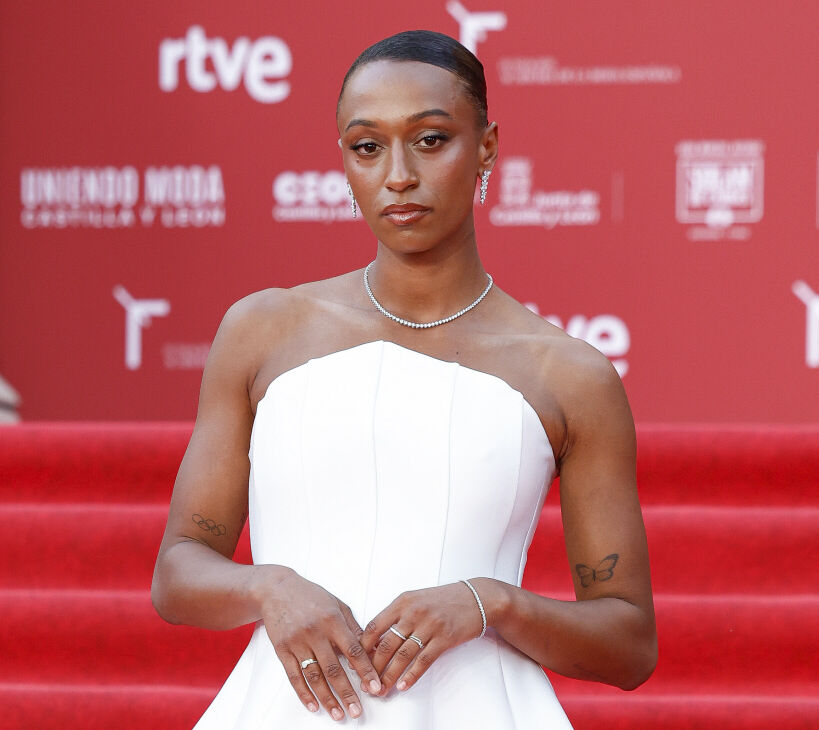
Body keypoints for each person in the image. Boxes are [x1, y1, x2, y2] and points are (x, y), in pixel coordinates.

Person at [151, 29, 656, 728]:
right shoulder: (262, 331)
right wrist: (270, 589)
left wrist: (490, 603)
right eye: (367, 146)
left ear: (486, 147)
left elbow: (627, 642)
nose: (397, 176)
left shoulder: (568, 374)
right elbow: (178, 571)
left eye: (429, 140)